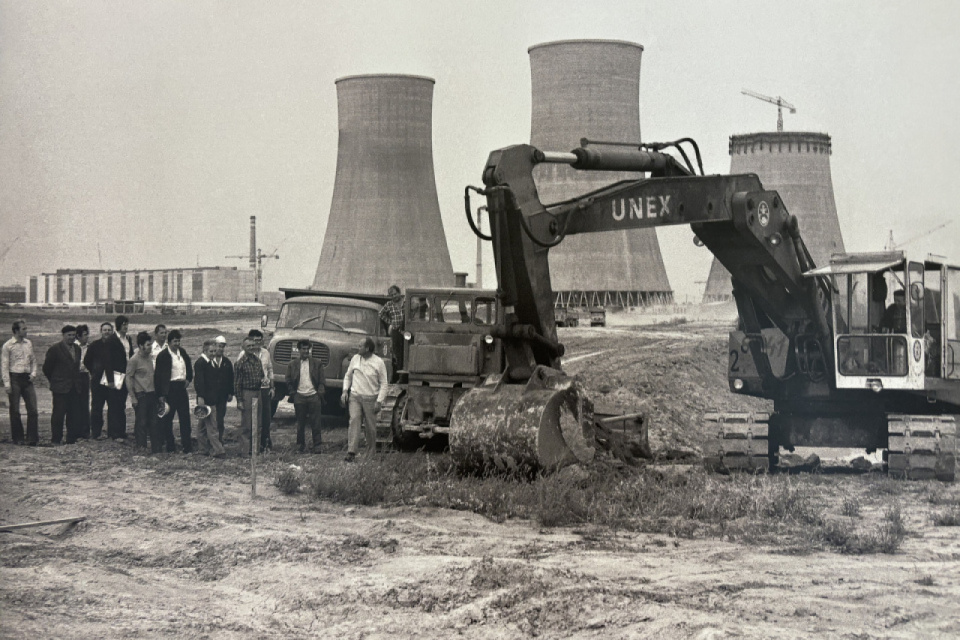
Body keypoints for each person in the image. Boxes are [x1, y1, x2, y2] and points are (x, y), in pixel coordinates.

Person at [341, 336, 388, 461]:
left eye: (360, 346)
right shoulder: (355, 359)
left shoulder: (379, 362)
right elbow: (348, 376)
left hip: (371, 398)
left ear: (367, 348)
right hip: (355, 396)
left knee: (370, 427)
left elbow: (384, 384)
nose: (358, 348)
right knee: (354, 420)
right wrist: (345, 391)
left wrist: (379, 401)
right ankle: (351, 452)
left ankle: (371, 453)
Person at [83, 322, 128, 440]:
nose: (107, 332)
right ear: (101, 331)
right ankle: (96, 433)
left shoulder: (116, 344)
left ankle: (113, 433)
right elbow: (87, 361)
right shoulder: (94, 345)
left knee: (114, 407)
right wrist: (95, 371)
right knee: (97, 407)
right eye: (104, 330)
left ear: (112, 331)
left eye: (109, 330)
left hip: (113, 380)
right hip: (98, 381)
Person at [154, 329, 193, 453]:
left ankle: (187, 446)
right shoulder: (163, 355)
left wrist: (188, 379)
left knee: (185, 418)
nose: (177, 344)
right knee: (168, 419)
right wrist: (160, 394)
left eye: (178, 341)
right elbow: (158, 376)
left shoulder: (182, 352)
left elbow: (189, 367)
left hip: (181, 388)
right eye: (175, 341)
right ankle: (170, 446)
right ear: (169, 342)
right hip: (169, 389)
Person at [43, 325, 82, 445]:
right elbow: (47, 368)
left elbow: (76, 367)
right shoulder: (55, 349)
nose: (71, 337)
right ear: (63, 335)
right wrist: (55, 381)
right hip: (60, 388)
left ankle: (71, 439)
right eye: (69, 335)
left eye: (73, 335)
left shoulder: (77, 349)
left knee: (73, 414)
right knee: (58, 415)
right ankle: (56, 439)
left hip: (74, 387)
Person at [2, 320, 39, 445]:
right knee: (15, 410)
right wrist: (7, 384)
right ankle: (18, 438)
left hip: (27, 379)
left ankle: (32, 438)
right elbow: (4, 366)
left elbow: (33, 360)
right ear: (16, 331)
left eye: (26, 328)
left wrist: (33, 374)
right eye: (23, 329)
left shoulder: (29, 343)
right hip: (14, 379)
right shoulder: (8, 346)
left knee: (33, 410)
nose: (26, 331)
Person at [287, 339, 325, 453]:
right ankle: (300, 445)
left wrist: (319, 392)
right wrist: (293, 393)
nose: (306, 351)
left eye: (308, 349)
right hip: (299, 396)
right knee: (300, 422)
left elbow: (322, 380)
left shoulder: (317, 363)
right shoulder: (292, 364)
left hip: (313, 396)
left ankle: (317, 445)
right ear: (299, 350)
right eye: (303, 349)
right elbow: (288, 380)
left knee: (316, 422)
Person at [240, 329, 274, 451]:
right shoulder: (243, 356)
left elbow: (270, 369)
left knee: (264, 418)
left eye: (260, 340)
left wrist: (272, 387)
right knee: (248, 420)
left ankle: (263, 444)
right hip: (249, 390)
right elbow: (238, 377)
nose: (257, 343)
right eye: (255, 340)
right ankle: (247, 447)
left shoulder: (265, 353)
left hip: (264, 390)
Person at [126, 332, 160, 453]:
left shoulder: (150, 358)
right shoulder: (134, 360)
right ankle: (141, 447)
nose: (150, 347)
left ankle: (156, 448)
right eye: (148, 345)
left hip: (152, 394)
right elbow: (128, 378)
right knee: (141, 422)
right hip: (141, 395)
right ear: (141, 346)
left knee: (154, 422)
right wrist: (133, 397)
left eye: (151, 344)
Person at [193, 339, 225, 457]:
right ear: (205, 351)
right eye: (211, 351)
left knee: (202, 426)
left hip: (211, 398)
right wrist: (201, 397)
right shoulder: (200, 363)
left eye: (214, 351)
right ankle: (219, 450)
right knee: (212, 426)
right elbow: (199, 382)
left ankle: (203, 449)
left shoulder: (211, 362)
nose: (213, 353)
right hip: (206, 400)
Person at [235, 336, 267, 455]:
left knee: (258, 423)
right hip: (246, 393)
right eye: (248, 346)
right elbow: (237, 384)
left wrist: (264, 380)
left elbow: (262, 375)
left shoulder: (257, 361)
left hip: (258, 392)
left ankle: (255, 450)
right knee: (247, 424)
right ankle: (245, 451)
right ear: (243, 347)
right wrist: (239, 400)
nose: (251, 348)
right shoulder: (240, 363)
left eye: (253, 345)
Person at [70, 324, 91, 440]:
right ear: (78, 336)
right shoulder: (73, 347)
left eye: (87, 334)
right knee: (75, 403)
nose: (87, 337)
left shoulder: (89, 347)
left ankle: (85, 431)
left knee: (85, 402)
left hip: (85, 376)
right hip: (75, 376)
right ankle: (75, 431)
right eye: (84, 335)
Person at [379, 284, 405, 380]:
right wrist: (391, 322)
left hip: (406, 330)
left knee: (407, 352)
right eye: (392, 295)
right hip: (396, 330)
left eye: (395, 294)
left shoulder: (406, 302)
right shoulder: (389, 304)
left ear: (399, 293)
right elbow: (380, 314)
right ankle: (400, 376)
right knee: (398, 353)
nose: (394, 296)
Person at [212, 336, 234, 442]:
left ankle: (219, 440)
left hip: (222, 396)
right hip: (210, 396)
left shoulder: (227, 362)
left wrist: (231, 393)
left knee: (220, 418)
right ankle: (210, 441)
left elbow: (231, 378)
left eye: (222, 347)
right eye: (219, 346)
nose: (221, 349)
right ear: (214, 346)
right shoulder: (209, 361)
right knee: (210, 419)